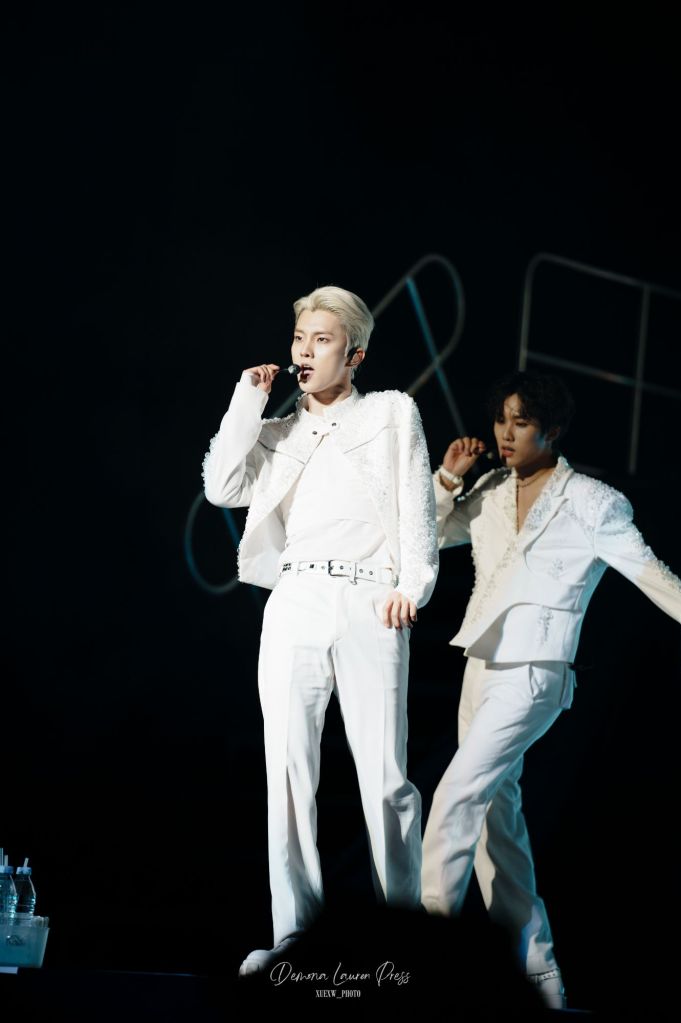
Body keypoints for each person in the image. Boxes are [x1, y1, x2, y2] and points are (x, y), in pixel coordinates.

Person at [421, 371, 681, 1008]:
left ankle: (419, 957)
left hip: (535, 672)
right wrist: (447, 480)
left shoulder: (593, 502)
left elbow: (652, 575)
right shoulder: (488, 489)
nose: (505, 434)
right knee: (495, 820)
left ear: (554, 430)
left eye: (522, 422)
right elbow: (427, 536)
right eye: (501, 420)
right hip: (481, 666)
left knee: (455, 795)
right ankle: (538, 973)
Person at [202, 285, 439, 975]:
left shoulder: (391, 412)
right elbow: (221, 486)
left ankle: (405, 941)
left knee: (386, 777)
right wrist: (247, 401)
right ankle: (294, 938)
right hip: (296, 598)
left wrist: (413, 586)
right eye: (299, 338)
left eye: (322, 339)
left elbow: (417, 506)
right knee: (286, 770)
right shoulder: (277, 432)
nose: (305, 351)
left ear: (354, 354)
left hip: (370, 598)